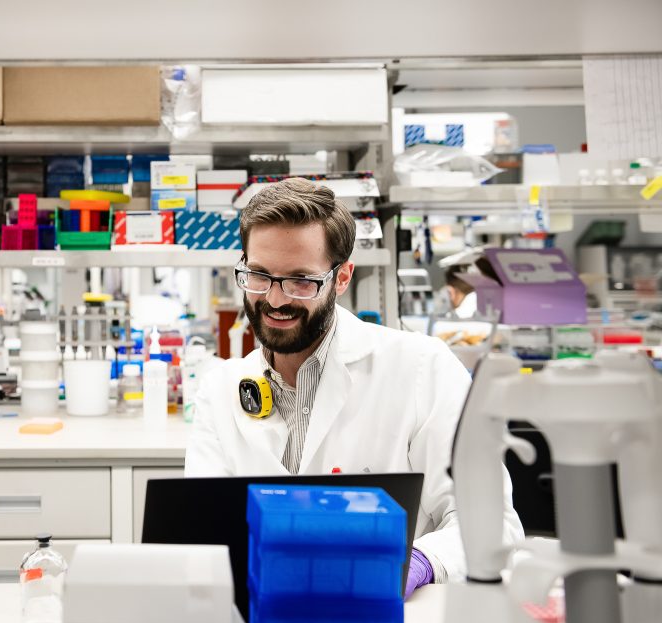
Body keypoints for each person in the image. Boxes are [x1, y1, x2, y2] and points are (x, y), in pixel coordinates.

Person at [186, 178, 523, 597]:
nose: (274, 300)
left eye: (300, 280)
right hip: (259, 615)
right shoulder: (220, 389)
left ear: (342, 277)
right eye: (259, 275)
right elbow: (202, 533)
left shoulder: (422, 368)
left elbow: (491, 522)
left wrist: (418, 562)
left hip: (387, 615)